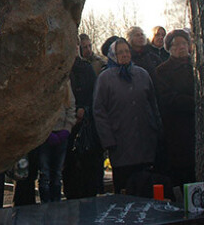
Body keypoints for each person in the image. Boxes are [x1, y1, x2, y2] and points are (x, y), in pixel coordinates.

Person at [93, 38, 161, 193]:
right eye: (120, 52)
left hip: (144, 142)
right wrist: (108, 140)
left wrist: (156, 129)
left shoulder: (142, 74)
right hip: (120, 143)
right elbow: (99, 111)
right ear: (113, 55)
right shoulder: (105, 78)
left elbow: (152, 104)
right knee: (125, 188)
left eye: (126, 51)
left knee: (145, 187)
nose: (124, 55)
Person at [154, 29, 195, 188]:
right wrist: (195, 102)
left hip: (196, 128)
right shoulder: (162, 70)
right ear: (169, 48)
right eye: (176, 45)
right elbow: (168, 99)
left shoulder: (197, 66)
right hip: (177, 130)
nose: (181, 47)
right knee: (181, 175)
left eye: (184, 43)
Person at [63, 46, 102, 199]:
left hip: (85, 124)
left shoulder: (86, 68)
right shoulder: (61, 67)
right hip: (65, 123)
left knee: (86, 169)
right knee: (69, 170)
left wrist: (84, 109)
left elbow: (95, 94)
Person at [37, 80, 76, 202]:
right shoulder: (42, 83)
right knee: (44, 173)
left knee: (57, 174)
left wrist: (67, 129)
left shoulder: (66, 83)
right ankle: (45, 202)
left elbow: (71, 107)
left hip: (62, 133)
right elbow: (38, 112)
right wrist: (45, 132)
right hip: (46, 136)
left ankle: (56, 202)